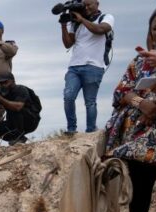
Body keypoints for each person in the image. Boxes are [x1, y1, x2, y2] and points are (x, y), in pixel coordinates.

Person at [105, 7, 156, 212]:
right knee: (140, 183)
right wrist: (142, 104)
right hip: (143, 132)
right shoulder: (141, 61)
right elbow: (122, 91)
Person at [60, 0, 114, 135]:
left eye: (89, 4)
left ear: (97, 3)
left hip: (94, 66)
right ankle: (71, 129)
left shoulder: (106, 17)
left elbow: (100, 30)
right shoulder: (76, 23)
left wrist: (82, 19)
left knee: (90, 102)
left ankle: (90, 131)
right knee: (68, 97)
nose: (86, 7)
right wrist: (63, 26)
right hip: (74, 66)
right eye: (84, 5)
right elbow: (68, 44)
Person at [0, 73, 41, 145]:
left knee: (14, 109)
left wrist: (1, 99)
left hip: (30, 120)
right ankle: (16, 138)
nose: (3, 85)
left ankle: (19, 138)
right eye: (1, 83)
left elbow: (18, 107)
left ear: (12, 81)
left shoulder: (21, 89)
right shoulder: (3, 93)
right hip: (13, 123)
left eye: (5, 82)